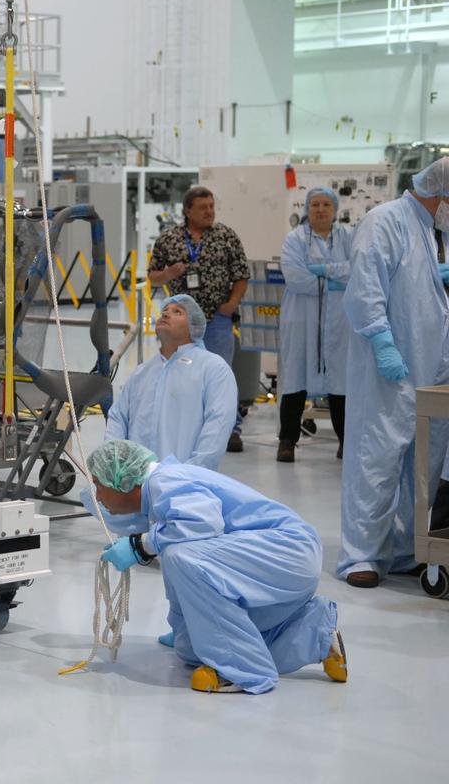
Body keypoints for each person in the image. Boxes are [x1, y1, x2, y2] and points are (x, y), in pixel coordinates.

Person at [88, 439, 347, 695]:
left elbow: (201, 523)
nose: (98, 496)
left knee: (181, 554)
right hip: (274, 561)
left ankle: (246, 671)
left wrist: (140, 546)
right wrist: (183, 628)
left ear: (121, 478)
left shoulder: (165, 480)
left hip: (288, 550)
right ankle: (316, 631)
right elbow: (183, 572)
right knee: (189, 648)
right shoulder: (160, 493)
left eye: (98, 484)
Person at [338, 158, 449, 588]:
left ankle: (407, 549)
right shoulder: (385, 222)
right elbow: (365, 290)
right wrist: (382, 342)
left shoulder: (433, 231)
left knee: (423, 461)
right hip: (390, 364)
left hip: (431, 368)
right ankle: (361, 555)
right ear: (439, 194)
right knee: (377, 458)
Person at [148, 187, 251, 452]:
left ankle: (230, 429)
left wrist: (231, 304)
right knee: (181, 372)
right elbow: (153, 276)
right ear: (188, 211)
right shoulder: (169, 239)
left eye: (212, 206)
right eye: (203, 207)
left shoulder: (225, 236)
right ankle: (184, 425)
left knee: (220, 374)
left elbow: (241, 274)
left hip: (217, 319)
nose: (209, 211)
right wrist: (168, 273)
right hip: (181, 322)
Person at [103, 294, 236, 470]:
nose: (165, 314)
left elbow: (218, 426)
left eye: (177, 312)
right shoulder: (142, 373)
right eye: (164, 310)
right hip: (135, 484)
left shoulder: (212, 368)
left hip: (183, 484)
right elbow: (118, 418)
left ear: (193, 327)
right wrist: (115, 466)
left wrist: (193, 473)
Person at [277, 187, 353, 463]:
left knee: (341, 379)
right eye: (314, 205)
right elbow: (295, 277)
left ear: (334, 210)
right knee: (296, 375)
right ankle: (287, 441)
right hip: (302, 317)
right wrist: (335, 279)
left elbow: (357, 268)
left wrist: (322, 272)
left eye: (325, 205)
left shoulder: (349, 236)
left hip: (339, 319)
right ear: (307, 209)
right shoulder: (294, 239)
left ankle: (347, 441)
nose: (320, 209)